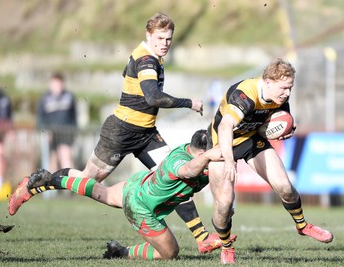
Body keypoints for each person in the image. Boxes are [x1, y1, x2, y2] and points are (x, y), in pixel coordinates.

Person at [31, 12, 221, 253]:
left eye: (169, 39)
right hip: (121, 131)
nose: (165, 43)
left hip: (146, 134)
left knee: (178, 175)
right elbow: (153, 96)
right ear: (148, 35)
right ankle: (42, 182)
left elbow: (129, 75)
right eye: (160, 38)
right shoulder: (147, 60)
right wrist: (189, 102)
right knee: (88, 180)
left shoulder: (147, 56)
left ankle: (202, 236)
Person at [8, 130, 236, 260]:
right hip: (141, 208)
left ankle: (44, 183)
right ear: (201, 152)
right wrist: (209, 157)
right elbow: (188, 170)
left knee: (100, 192)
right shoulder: (182, 160)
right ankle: (123, 252)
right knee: (170, 253)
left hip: (137, 186)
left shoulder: (197, 156)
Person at [206, 58, 334, 264]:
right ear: (267, 82)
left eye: (290, 88)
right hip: (222, 145)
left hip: (252, 140)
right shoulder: (245, 94)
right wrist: (229, 160)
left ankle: (302, 226)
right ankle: (227, 245)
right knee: (224, 205)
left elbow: (280, 123)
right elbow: (225, 127)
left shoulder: (281, 98)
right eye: (284, 88)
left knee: (285, 187)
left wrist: (284, 131)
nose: (287, 93)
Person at [36, 72, 77, 172]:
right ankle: (52, 187)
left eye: (59, 83)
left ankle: (70, 185)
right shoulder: (45, 99)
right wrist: (46, 131)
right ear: (50, 84)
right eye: (55, 84)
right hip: (51, 135)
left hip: (65, 134)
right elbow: (40, 119)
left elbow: (74, 117)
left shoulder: (69, 97)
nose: (57, 86)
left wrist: (73, 132)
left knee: (65, 158)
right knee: (52, 161)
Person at [0, 75, 13, 199]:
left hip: (0, 134)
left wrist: (10, 130)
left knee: (0, 155)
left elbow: (9, 118)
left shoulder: (4, 99)